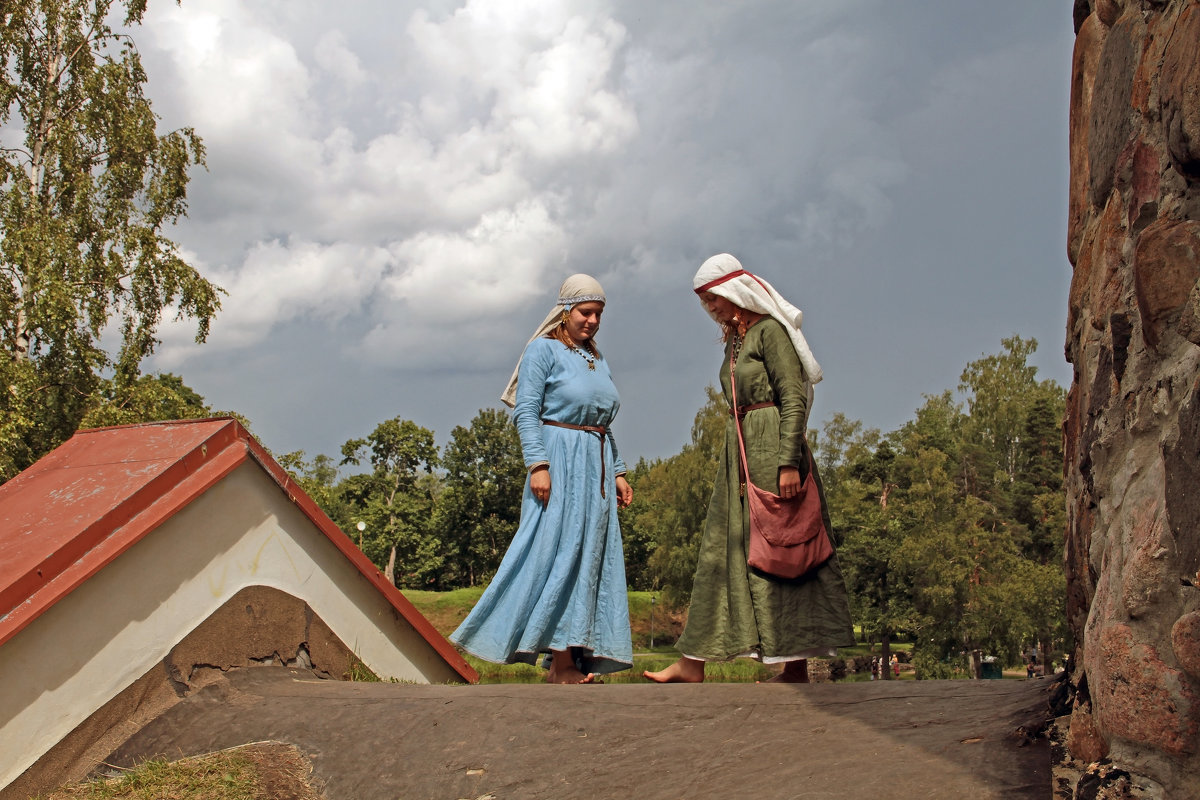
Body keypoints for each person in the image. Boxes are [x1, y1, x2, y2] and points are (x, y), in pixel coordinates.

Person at [645, 253, 855, 684]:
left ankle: (794, 666)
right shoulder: (735, 341)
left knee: (786, 549)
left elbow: (793, 398)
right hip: (740, 456)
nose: (710, 309)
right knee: (724, 553)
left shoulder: (770, 333)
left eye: (713, 299)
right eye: (704, 303)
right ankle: (693, 663)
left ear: (734, 292)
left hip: (772, 451)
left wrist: (787, 463)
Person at [450, 274, 634, 684]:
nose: (592, 321)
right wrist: (538, 464)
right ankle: (557, 661)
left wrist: (618, 472)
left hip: (596, 466)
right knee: (555, 554)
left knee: (589, 560)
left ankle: (573, 659)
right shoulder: (542, 350)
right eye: (586, 312)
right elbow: (525, 411)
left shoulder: (596, 358)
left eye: (599, 314)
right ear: (566, 311)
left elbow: (601, 422)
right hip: (560, 461)